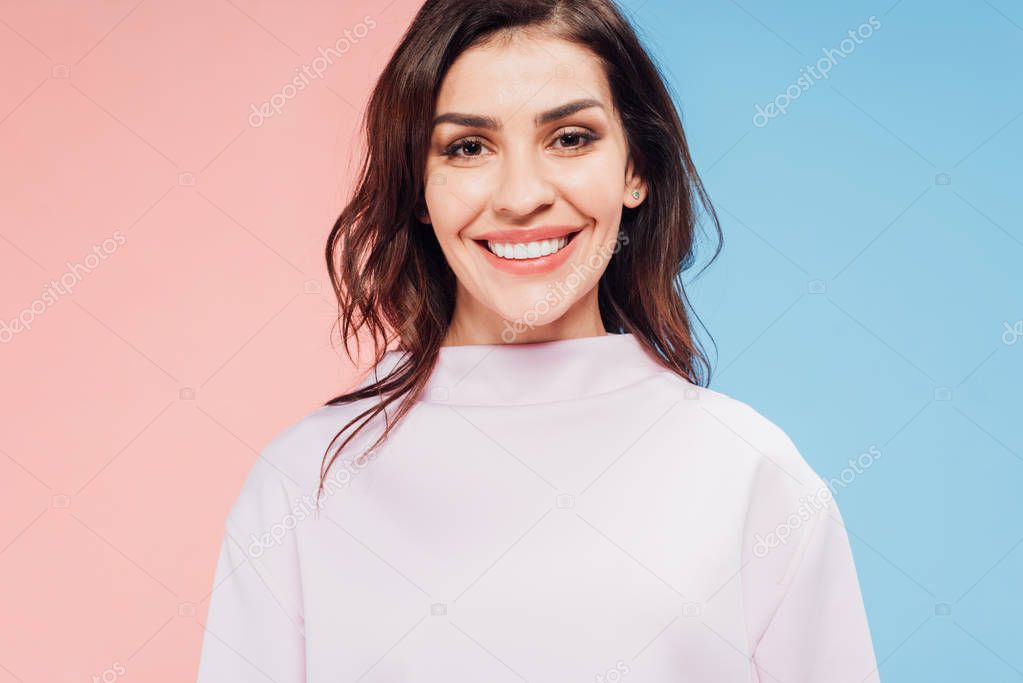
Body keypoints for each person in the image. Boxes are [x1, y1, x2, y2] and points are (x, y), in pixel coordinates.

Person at [196, 1, 880, 681]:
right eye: (468, 147)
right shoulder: (303, 482)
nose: (521, 196)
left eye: (570, 138)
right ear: (418, 191)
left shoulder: (751, 473)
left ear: (635, 169)